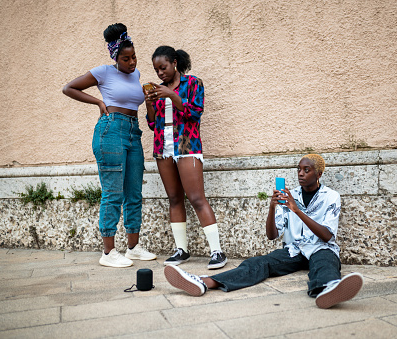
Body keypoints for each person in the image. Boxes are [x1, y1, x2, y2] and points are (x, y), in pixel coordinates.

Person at [163, 154, 364, 309]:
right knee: (258, 262)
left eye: (307, 170)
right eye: (299, 169)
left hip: (321, 247)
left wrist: (297, 210)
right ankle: (205, 282)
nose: (301, 174)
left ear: (319, 174)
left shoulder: (331, 197)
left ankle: (328, 290)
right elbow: (272, 235)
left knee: (325, 262)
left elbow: (327, 236)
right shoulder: (289, 196)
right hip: (294, 250)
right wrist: (272, 207)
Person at [62, 23, 156, 268]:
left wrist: (147, 100)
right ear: (115, 57)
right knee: (113, 193)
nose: (132, 62)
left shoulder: (135, 76)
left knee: (134, 193)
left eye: (134, 57)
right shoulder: (103, 72)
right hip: (111, 131)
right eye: (126, 59)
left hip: (133, 133)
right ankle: (108, 252)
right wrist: (98, 103)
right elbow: (69, 88)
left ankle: (133, 248)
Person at [143, 46, 227, 269]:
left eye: (163, 68)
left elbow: (195, 112)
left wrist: (171, 94)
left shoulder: (193, 83)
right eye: (156, 70)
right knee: (174, 198)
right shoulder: (158, 90)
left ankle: (217, 252)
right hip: (163, 147)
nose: (160, 73)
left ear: (174, 63)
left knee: (197, 198)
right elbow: (153, 123)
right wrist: (150, 103)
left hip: (187, 146)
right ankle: (182, 250)